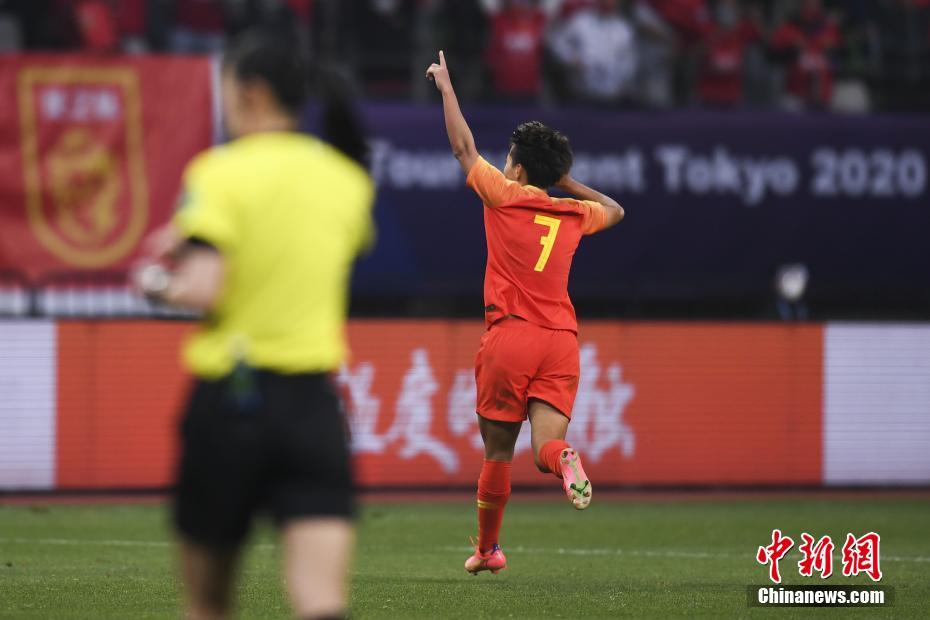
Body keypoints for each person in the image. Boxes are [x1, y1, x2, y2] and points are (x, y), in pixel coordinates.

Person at [133, 30, 373, 620]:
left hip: (231, 403)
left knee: (209, 604)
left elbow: (203, 288)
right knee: (321, 601)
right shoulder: (346, 181)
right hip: (313, 407)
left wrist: (156, 280)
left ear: (253, 93)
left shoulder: (221, 172)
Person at [425, 50, 625, 575]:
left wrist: (447, 89)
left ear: (515, 166)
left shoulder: (504, 195)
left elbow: (463, 148)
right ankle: (563, 460)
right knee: (545, 443)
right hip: (561, 339)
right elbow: (617, 210)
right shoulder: (574, 214)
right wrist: (566, 182)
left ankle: (488, 551)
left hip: (511, 336)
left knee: (497, 452)